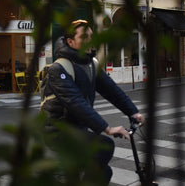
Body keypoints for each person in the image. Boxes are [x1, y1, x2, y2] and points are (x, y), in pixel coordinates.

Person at [40, 19, 145, 185]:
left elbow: (112, 90)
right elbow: (75, 101)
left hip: (78, 129)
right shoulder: (59, 69)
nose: (90, 41)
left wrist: (133, 111)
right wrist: (107, 128)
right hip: (58, 131)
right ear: (71, 41)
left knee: (104, 172)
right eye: (84, 37)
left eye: (91, 36)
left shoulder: (91, 64)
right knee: (104, 146)